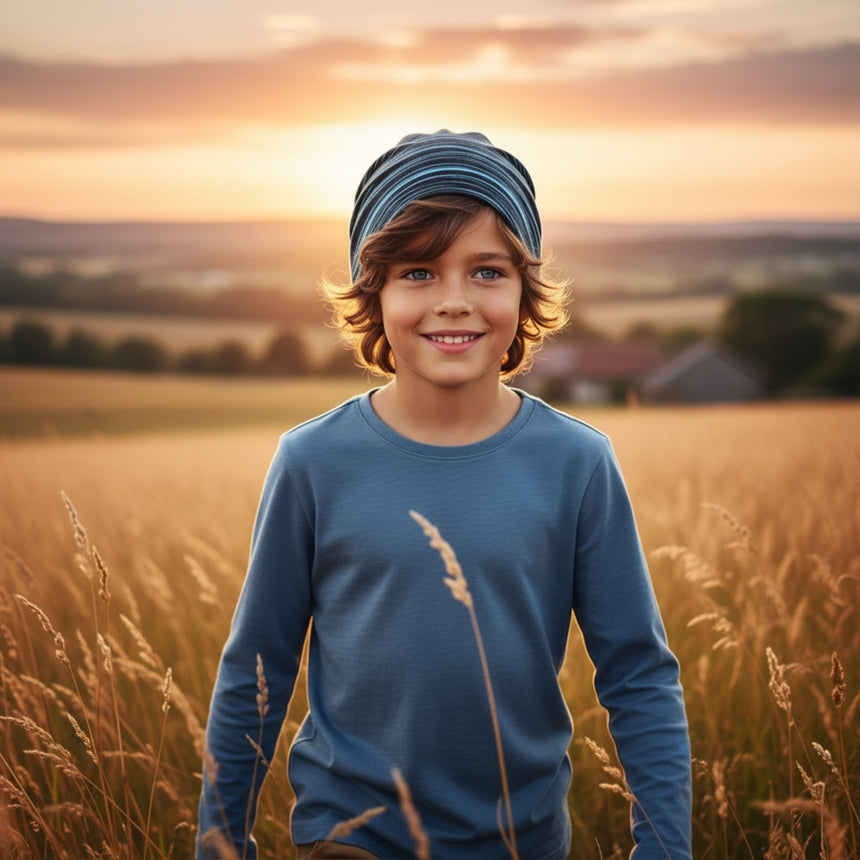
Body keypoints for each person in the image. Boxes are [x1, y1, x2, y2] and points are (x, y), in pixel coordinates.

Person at [196, 130, 692, 859]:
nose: (454, 302)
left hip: (521, 844)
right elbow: (255, 670)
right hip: (348, 842)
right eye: (418, 273)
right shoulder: (313, 461)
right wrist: (219, 843)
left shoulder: (577, 463)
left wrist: (665, 849)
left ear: (526, 293)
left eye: (487, 271)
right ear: (376, 293)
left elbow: (640, 676)